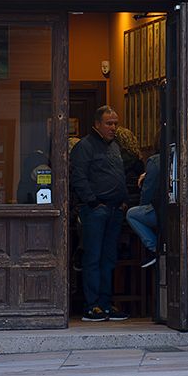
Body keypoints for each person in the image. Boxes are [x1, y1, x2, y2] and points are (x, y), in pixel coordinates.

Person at [69, 105, 130, 322]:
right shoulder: (84, 147)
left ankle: (105, 303)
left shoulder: (114, 146)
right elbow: (79, 178)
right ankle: (92, 305)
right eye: (109, 123)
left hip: (114, 210)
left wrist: (123, 201)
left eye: (115, 123)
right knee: (93, 258)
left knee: (109, 259)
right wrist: (93, 202)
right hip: (95, 210)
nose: (113, 127)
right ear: (97, 124)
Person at [126, 152, 161, 268]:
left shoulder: (154, 161)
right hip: (169, 208)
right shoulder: (174, 156)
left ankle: (154, 248)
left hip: (157, 208)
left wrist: (143, 206)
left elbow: (148, 190)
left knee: (131, 214)